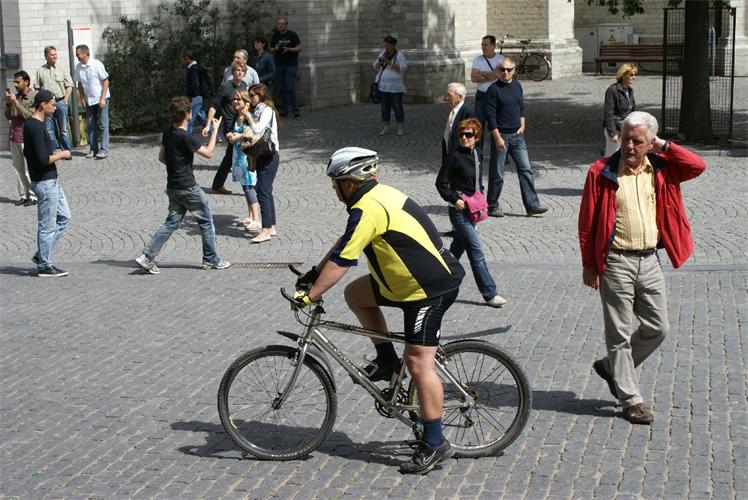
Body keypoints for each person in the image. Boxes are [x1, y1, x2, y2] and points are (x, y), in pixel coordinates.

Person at [294, 147, 464, 474]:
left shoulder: (369, 208)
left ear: (350, 184)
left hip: (428, 289)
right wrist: (314, 274)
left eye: (336, 184)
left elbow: (343, 261)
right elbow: (345, 242)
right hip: (403, 283)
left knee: (419, 363)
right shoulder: (374, 197)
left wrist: (311, 296)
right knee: (356, 295)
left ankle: (434, 443)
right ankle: (387, 360)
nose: (334, 190)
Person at [578, 111, 706, 425]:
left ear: (650, 143)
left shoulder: (661, 168)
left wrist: (663, 145)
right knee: (619, 335)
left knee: (658, 327)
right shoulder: (601, 171)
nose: (629, 146)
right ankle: (631, 400)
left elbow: (697, 165)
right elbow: (587, 224)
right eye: (626, 139)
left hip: (649, 260)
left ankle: (611, 367)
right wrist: (589, 265)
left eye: (637, 141)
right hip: (615, 261)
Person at [135, 97, 230, 274]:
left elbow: (162, 158)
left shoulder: (168, 132)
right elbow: (209, 153)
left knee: (171, 223)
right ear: (187, 114)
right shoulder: (185, 136)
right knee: (206, 222)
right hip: (188, 187)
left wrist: (176, 166)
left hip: (173, 186)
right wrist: (215, 130)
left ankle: (147, 256)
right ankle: (210, 259)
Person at [436, 118, 506, 307]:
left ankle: (436, 280)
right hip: (459, 212)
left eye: (469, 135)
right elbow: (441, 183)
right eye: (461, 135)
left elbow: (477, 181)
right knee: (476, 251)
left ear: (477, 137)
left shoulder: (478, 153)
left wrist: (480, 196)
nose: (464, 138)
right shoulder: (453, 157)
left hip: (472, 209)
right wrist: (454, 200)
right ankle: (490, 294)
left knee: (456, 251)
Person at [485, 58, 548, 217]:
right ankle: (492, 206)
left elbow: (521, 108)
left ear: (514, 70)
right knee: (498, 173)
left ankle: (532, 205)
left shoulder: (517, 86)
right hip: (501, 136)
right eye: (502, 69)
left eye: (508, 69)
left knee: (526, 170)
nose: (505, 72)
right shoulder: (493, 90)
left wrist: (522, 125)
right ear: (498, 71)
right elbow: (490, 116)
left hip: (517, 136)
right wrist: (497, 138)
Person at [24, 89, 73, 277]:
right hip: (45, 182)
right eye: (52, 103)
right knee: (47, 225)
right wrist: (62, 154)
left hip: (51, 180)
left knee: (64, 217)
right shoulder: (35, 127)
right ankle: (44, 266)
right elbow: (43, 159)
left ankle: (41, 255)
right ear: (43, 105)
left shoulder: (36, 124)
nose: (55, 106)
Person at [203, 61, 249, 194]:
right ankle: (249, 187)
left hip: (240, 122)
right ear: (233, 72)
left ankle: (218, 184)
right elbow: (214, 106)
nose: (239, 73)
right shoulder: (225, 87)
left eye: (242, 71)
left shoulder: (244, 85)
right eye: (237, 70)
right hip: (229, 125)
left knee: (230, 156)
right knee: (239, 154)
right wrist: (208, 125)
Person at [243, 83, 279, 243]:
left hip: (270, 155)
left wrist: (248, 117)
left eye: (253, 95)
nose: (250, 98)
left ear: (261, 96)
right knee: (265, 190)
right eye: (249, 95)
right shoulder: (257, 110)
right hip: (262, 154)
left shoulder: (267, 110)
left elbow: (258, 129)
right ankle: (271, 226)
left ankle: (265, 230)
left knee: (263, 190)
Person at [224, 90, 261, 232]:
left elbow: (254, 134)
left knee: (249, 186)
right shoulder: (237, 116)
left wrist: (238, 136)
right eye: (234, 99)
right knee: (245, 187)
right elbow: (236, 133)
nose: (235, 101)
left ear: (246, 102)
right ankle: (251, 216)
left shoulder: (249, 116)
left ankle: (257, 219)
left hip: (247, 156)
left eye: (238, 99)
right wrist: (230, 135)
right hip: (238, 156)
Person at [5, 70, 37, 206]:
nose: (16, 85)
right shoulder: (15, 97)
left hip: (26, 137)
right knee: (18, 169)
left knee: (28, 168)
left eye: (18, 82)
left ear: (26, 82)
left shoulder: (33, 96)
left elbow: (30, 116)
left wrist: (16, 103)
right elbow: (8, 116)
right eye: (14, 82)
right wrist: (9, 103)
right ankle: (24, 195)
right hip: (14, 136)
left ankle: (33, 196)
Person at [470, 35, 504, 164]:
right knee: (479, 126)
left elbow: (499, 74)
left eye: (486, 45)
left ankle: (498, 155)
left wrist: (482, 73)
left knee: (496, 126)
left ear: (493, 46)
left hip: (496, 98)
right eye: (482, 44)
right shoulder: (478, 60)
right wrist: (492, 75)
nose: (483, 47)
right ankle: (478, 155)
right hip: (481, 96)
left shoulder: (501, 59)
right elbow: (474, 78)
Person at [33, 46, 73, 154]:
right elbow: (36, 88)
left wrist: (65, 101)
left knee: (64, 129)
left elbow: (69, 85)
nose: (55, 56)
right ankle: (52, 152)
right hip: (46, 105)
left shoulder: (62, 68)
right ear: (46, 56)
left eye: (55, 54)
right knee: (49, 129)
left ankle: (66, 152)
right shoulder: (40, 71)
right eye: (52, 54)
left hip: (60, 102)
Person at [74, 44, 110, 160]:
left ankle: (104, 149)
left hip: (101, 98)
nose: (76, 56)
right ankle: (93, 149)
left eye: (78, 54)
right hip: (89, 100)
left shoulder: (97, 64)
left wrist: (103, 99)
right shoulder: (78, 67)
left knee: (103, 125)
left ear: (85, 53)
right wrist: (82, 99)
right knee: (90, 125)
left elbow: (106, 82)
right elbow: (79, 84)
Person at [374, 36, 407, 136]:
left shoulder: (399, 55)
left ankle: (400, 127)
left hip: (396, 86)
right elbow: (376, 67)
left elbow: (403, 69)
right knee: (385, 107)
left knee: (397, 106)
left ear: (393, 45)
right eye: (384, 45)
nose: (385, 47)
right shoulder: (382, 54)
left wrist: (389, 63)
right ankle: (385, 127)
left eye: (387, 45)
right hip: (383, 85)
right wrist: (379, 63)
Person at [603, 63, 637, 157]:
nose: (634, 77)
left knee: (623, 156)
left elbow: (632, 112)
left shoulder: (630, 90)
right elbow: (608, 114)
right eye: (631, 75)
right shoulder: (612, 90)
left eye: (634, 75)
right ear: (623, 75)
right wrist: (613, 133)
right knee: (612, 156)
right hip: (615, 129)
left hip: (625, 128)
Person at [271, 16, 302, 118]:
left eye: (283, 24)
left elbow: (300, 47)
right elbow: (271, 48)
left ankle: (295, 110)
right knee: (281, 88)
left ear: (286, 25)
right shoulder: (275, 35)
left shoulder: (292, 34)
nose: (281, 25)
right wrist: (275, 48)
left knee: (290, 87)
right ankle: (284, 110)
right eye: (279, 24)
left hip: (291, 64)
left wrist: (289, 49)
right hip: (279, 64)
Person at [441, 83, 474, 167]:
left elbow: (470, 137)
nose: (447, 98)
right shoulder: (453, 110)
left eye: (450, 95)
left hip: (460, 157)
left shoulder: (467, 112)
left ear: (460, 97)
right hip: (450, 154)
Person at [180, 50, 210, 133]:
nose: (181, 61)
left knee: (189, 119)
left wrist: (190, 95)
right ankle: (217, 137)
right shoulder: (198, 67)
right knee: (203, 120)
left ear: (186, 58)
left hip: (195, 97)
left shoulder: (193, 69)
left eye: (182, 58)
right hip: (198, 96)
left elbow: (195, 84)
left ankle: (186, 137)